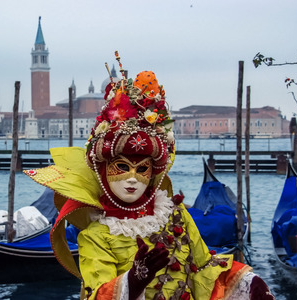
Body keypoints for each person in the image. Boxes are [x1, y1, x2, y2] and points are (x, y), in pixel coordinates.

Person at [25, 54, 274, 300]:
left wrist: (246, 284)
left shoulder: (175, 215)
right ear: (103, 172)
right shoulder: (96, 236)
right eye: (122, 167)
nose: (132, 179)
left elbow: (203, 268)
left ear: (153, 172)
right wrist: (133, 282)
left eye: (142, 169)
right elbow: (96, 294)